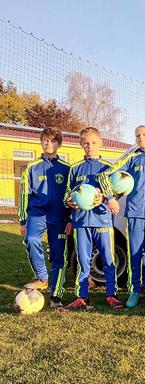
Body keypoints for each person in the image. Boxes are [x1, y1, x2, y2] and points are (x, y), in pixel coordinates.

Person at [98, 125, 145, 308]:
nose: (141, 137)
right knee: (135, 253)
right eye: (137, 135)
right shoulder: (131, 159)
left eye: (144, 134)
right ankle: (134, 290)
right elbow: (105, 175)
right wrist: (110, 197)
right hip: (135, 215)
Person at [62, 127, 123, 310]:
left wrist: (105, 198)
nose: (90, 146)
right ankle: (82, 296)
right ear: (81, 144)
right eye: (86, 143)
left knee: (108, 258)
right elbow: (66, 194)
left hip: (102, 220)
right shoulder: (75, 169)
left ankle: (111, 294)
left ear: (101, 143)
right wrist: (68, 202)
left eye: (94, 142)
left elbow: (117, 192)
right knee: (83, 259)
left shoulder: (108, 168)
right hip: (81, 221)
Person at [18, 127, 72, 309]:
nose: (48, 143)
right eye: (45, 140)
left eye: (52, 140)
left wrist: (71, 219)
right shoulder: (32, 167)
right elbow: (24, 194)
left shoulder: (67, 169)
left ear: (59, 144)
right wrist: (23, 220)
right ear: (41, 142)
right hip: (37, 214)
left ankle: (56, 297)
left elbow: (72, 195)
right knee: (31, 239)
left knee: (58, 257)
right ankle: (42, 277)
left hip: (59, 217)